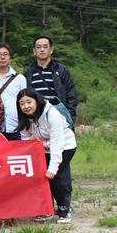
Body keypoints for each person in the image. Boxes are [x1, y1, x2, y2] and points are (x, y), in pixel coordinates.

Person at [16, 88, 77, 223]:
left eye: (29, 102)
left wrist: (53, 168)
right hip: (43, 149)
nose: (26, 106)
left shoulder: (51, 114)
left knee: (58, 177)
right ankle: (47, 209)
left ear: (37, 101)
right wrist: (31, 140)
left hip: (64, 147)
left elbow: (57, 143)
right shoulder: (24, 117)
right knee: (42, 178)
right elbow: (24, 137)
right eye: (22, 103)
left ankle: (64, 210)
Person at [24, 35, 78, 127]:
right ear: (34, 51)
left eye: (45, 47)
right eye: (38, 47)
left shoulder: (61, 70)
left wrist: (69, 119)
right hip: (36, 120)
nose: (42, 50)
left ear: (51, 50)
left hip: (58, 118)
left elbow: (71, 95)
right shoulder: (28, 72)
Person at [0, 42, 27, 140]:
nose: (2, 57)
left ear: (10, 57)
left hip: (16, 127)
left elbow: (24, 101)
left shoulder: (20, 78)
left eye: (5, 54)